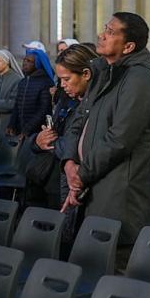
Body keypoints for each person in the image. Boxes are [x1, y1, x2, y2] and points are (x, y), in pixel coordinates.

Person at [65, 12, 150, 260]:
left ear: (128, 46)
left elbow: (121, 138)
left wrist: (81, 175)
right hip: (94, 183)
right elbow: (79, 120)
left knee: (114, 272)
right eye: (104, 28)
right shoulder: (103, 70)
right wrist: (68, 161)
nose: (101, 34)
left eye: (110, 31)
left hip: (118, 194)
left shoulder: (140, 77)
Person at [42, 44, 97, 215]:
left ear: (86, 74)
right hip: (57, 175)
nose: (62, 85)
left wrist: (52, 142)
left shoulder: (96, 104)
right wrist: (38, 141)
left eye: (66, 79)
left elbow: (82, 142)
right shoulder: (66, 98)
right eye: (60, 80)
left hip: (82, 180)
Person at [8, 43, 57, 140]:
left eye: (29, 61)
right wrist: (12, 124)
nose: (25, 63)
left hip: (36, 132)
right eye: (24, 60)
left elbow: (44, 109)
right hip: (20, 131)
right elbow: (17, 105)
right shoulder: (23, 82)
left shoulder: (45, 82)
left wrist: (27, 129)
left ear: (37, 64)